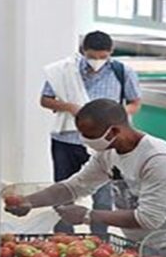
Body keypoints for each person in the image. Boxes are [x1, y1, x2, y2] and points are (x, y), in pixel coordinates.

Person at [5, 99, 166, 257]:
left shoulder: (157, 159)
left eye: (89, 135)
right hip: (140, 248)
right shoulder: (108, 152)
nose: (84, 140)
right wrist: (28, 202)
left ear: (114, 131)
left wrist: (88, 216)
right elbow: (74, 187)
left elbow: (150, 218)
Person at [41, 30, 142, 235]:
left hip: (105, 143)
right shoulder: (65, 72)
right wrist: (70, 107)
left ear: (111, 52)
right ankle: (64, 233)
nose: (97, 61)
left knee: (103, 194)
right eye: (92, 56)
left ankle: (100, 236)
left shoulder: (122, 72)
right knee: (63, 188)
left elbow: (135, 102)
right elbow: (45, 99)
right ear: (83, 51)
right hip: (67, 140)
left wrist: (117, 116)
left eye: (103, 57)